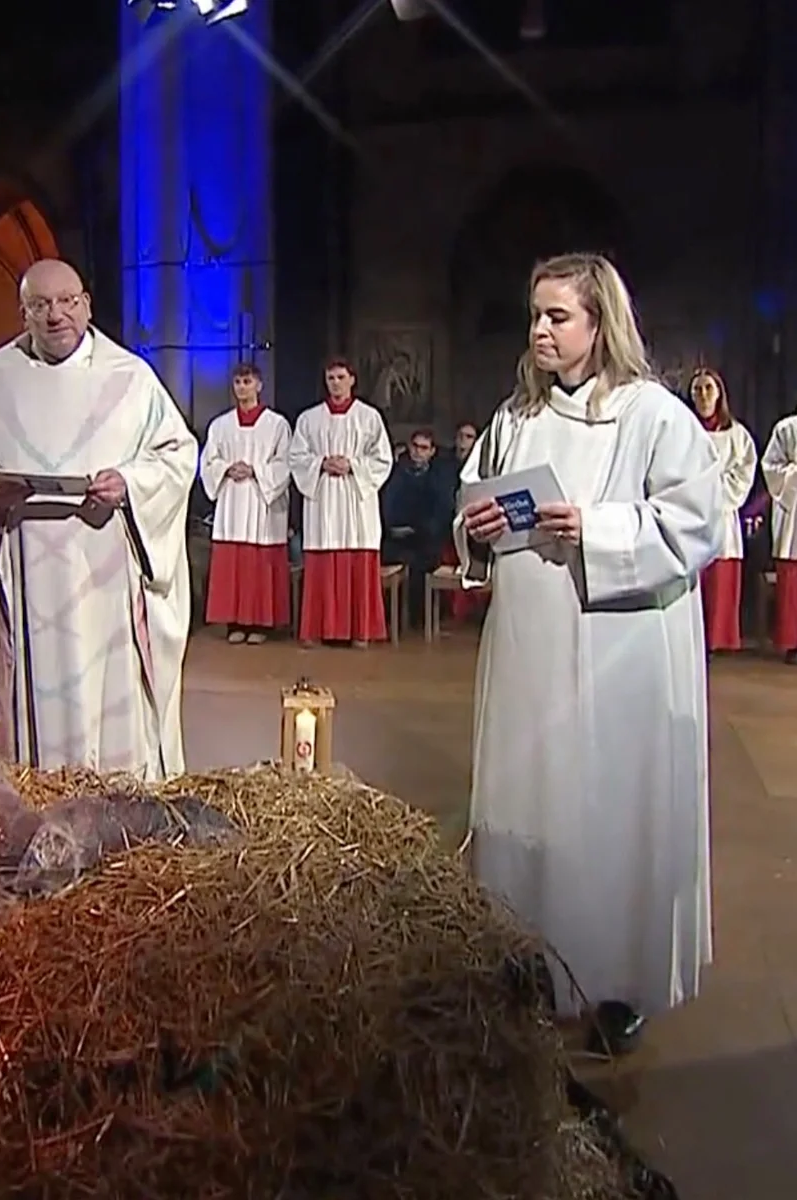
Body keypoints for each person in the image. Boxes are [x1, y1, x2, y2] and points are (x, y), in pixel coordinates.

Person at [456, 253, 722, 1050]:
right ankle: (530, 965)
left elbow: (696, 524)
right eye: (534, 315)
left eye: (557, 316)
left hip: (621, 655)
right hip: (529, 653)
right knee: (530, 804)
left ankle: (617, 986)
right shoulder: (515, 419)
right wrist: (477, 528)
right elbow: (473, 504)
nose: (539, 330)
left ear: (601, 323)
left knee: (610, 816)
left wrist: (597, 529)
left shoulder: (653, 416)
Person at [0, 258, 197, 779]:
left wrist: (130, 482)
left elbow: (177, 454)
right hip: (26, 571)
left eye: (67, 302)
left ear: (87, 305)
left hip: (105, 573)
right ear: (23, 313)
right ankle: (35, 791)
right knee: (34, 704)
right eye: (40, 305)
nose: (56, 315)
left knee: (109, 693)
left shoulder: (130, 378)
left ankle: (120, 792)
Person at [289, 358, 394, 646]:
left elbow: (382, 459)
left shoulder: (369, 417)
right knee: (321, 561)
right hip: (323, 497)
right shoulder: (309, 419)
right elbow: (296, 457)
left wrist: (352, 466)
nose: (335, 383)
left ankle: (360, 631)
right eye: (330, 378)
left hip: (355, 500)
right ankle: (317, 629)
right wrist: (321, 463)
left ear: (352, 380)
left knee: (357, 559)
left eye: (340, 377)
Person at [199, 363, 292, 643]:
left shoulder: (276, 424)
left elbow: (285, 462)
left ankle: (260, 624)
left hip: (262, 501)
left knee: (259, 563)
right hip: (232, 499)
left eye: (247, 382)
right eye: (238, 382)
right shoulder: (221, 425)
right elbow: (208, 461)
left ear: (259, 385)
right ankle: (235, 622)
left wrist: (255, 471)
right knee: (233, 563)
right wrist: (226, 468)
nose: (242, 387)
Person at [689, 369, 757, 652]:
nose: (703, 395)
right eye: (697, 390)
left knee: (719, 581)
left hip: (722, 517)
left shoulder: (737, 435)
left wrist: (713, 492)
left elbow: (744, 472)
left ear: (719, 394)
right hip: (689, 515)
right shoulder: (684, 429)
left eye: (708, 388)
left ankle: (716, 640)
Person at [380, 427, 455, 627]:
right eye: (415, 446)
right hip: (396, 538)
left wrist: (419, 528)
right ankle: (392, 619)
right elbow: (387, 507)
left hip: (425, 539)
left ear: (432, 451)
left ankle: (419, 620)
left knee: (423, 562)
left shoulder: (439, 478)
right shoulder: (394, 474)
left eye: (424, 448)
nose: (418, 452)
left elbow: (441, 511)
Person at [761, 410, 797, 663]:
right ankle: (793, 643)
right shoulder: (787, 428)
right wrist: (794, 474)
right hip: (793, 511)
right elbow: (771, 467)